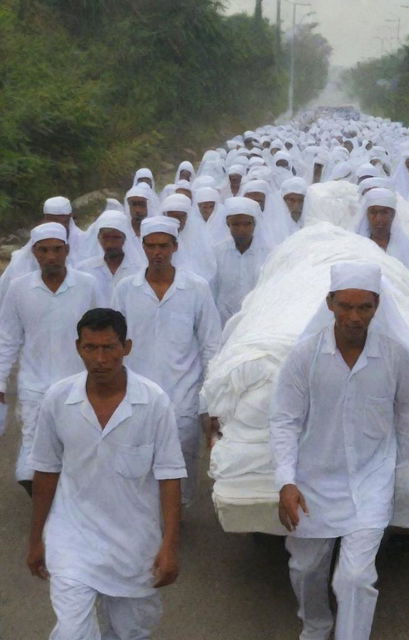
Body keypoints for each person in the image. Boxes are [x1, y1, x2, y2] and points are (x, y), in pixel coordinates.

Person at [270, 261, 409, 640]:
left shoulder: (397, 358)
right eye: (345, 306)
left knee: (355, 578)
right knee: (305, 568)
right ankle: (316, 624)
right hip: (313, 482)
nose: (354, 316)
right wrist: (286, 481)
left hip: (371, 481)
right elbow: (284, 421)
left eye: (363, 307)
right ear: (330, 303)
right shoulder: (304, 358)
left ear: (376, 307)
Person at [27, 308, 186, 639]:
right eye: (91, 348)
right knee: (72, 633)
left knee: (130, 632)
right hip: (73, 540)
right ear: (78, 348)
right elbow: (45, 472)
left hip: (134, 548)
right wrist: (35, 538)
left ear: (126, 347)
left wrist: (170, 544)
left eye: (109, 347)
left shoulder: (154, 402)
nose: (100, 359)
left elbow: (170, 477)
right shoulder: (58, 399)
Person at [112, 217, 221, 505]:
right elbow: (113, 342)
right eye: (150, 246)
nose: (157, 252)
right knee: (137, 457)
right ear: (143, 247)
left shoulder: (196, 288)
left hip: (183, 393)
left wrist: (210, 401)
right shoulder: (126, 289)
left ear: (175, 246)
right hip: (136, 391)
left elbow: (211, 344)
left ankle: (174, 517)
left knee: (180, 458)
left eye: (163, 246)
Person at [0, 222, 99, 495]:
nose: (51, 256)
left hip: (78, 383)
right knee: (33, 453)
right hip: (34, 384)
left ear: (67, 250)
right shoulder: (19, 289)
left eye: (57, 249)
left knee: (76, 445)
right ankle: (44, 504)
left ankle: (69, 505)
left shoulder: (87, 285)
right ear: (34, 252)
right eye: (44, 250)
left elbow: (103, 333)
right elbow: (7, 338)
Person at [210, 197, 273, 327]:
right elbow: (211, 291)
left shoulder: (268, 253)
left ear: (254, 224)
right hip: (223, 322)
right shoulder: (217, 252)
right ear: (228, 225)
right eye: (236, 225)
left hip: (257, 321)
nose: (242, 230)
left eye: (247, 224)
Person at [77, 211, 145, 306]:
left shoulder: (140, 270)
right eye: (106, 238)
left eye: (116, 238)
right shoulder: (84, 270)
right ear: (99, 238)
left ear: (124, 238)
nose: (110, 244)